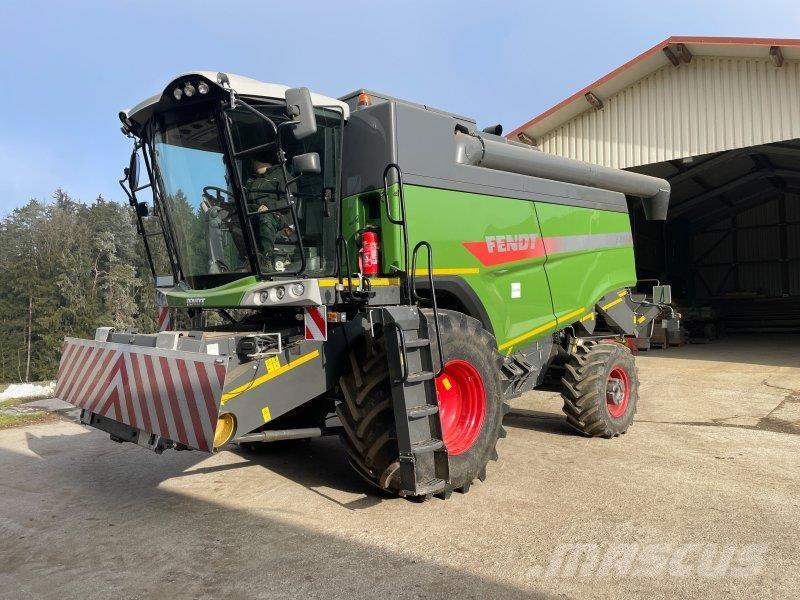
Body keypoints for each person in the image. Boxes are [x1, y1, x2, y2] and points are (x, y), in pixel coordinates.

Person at [244, 153, 294, 269]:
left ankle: (267, 260)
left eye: (254, 162)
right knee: (234, 218)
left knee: (265, 217)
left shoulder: (282, 176)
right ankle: (247, 259)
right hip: (254, 214)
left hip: (278, 217)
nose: (252, 165)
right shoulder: (252, 180)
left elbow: (288, 201)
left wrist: (269, 207)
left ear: (264, 160)